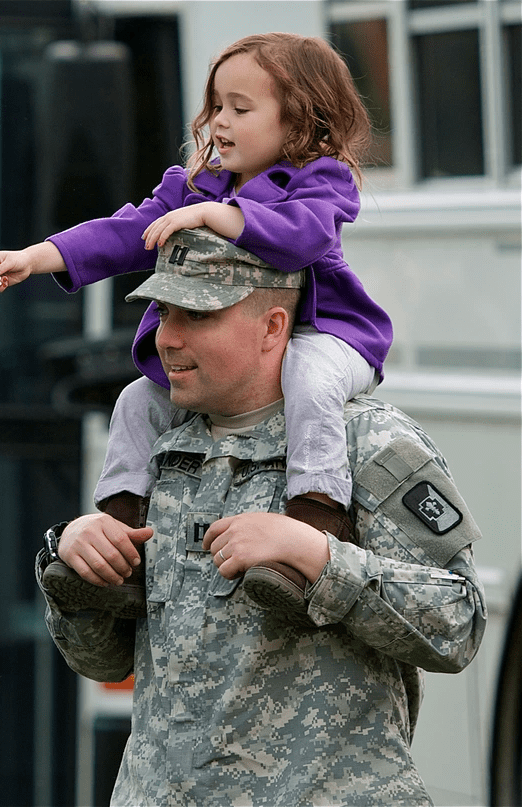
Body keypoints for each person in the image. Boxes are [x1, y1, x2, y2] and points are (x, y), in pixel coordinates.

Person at [33, 228, 486, 805]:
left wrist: (322, 560)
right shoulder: (154, 445)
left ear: (273, 326)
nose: (165, 338)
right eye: (162, 310)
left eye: (196, 316)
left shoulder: (366, 443)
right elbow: (106, 661)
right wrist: (74, 567)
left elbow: (459, 625)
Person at [0, 32, 391, 616]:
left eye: (241, 108)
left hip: (328, 335)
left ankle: (312, 521)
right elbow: (123, 233)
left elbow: (304, 237)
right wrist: (38, 256)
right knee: (135, 400)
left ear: (301, 121)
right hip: (245, 356)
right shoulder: (194, 184)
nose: (220, 122)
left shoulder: (320, 181)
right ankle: (122, 540)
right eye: (216, 106)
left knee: (308, 378)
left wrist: (220, 216)